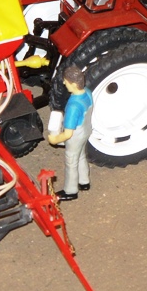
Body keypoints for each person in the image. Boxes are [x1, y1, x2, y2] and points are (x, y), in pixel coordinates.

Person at [47, 65, 93, 201]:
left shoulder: (73, 107)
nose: (63, 83)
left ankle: (70, 191)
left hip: (76, 135)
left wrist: (55, 139)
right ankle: (84, 182)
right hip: (86, 129)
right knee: (81, 156)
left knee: (71, 162)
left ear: (73, 84)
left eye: (66, 81)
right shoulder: (87, 92)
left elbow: (67, 134)